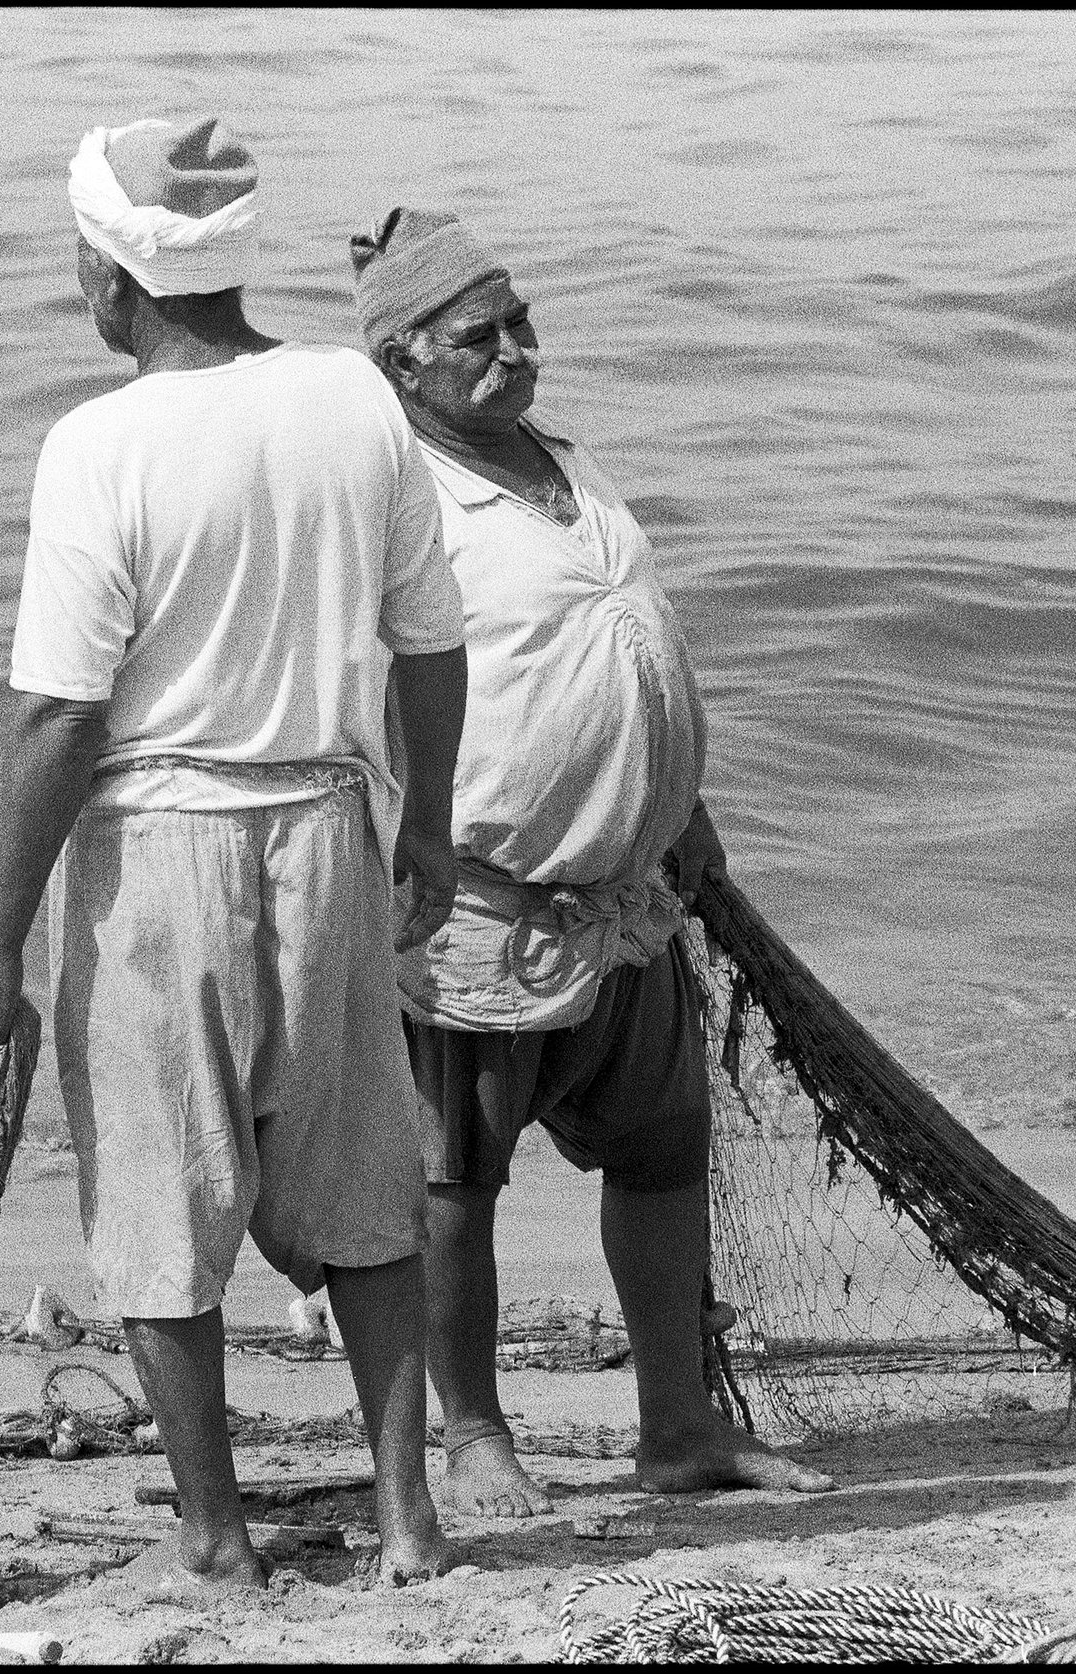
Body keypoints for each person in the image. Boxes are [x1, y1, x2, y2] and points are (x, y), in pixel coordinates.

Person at [0, 120, 468, 1589]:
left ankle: (216, 1530)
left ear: (111, 278)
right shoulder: (353, 399)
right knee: (365, 1177)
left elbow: (58, 718)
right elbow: (432, 641)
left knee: (164, 1193)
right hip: (328, 830)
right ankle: (409, 1519)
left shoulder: (96, 445)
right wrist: (422, 820)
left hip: (163, 841)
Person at [349, 206, 837, 1516]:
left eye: (522, 323)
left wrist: (684, 821)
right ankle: (473, 1434)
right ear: (402, 361)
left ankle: (677, 1424)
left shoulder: (562, 461)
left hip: (629, 900)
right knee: (457, 1180)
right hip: (478, 909)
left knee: (666, 1151)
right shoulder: (400, 496)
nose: (514, 351)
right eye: (478, 336)